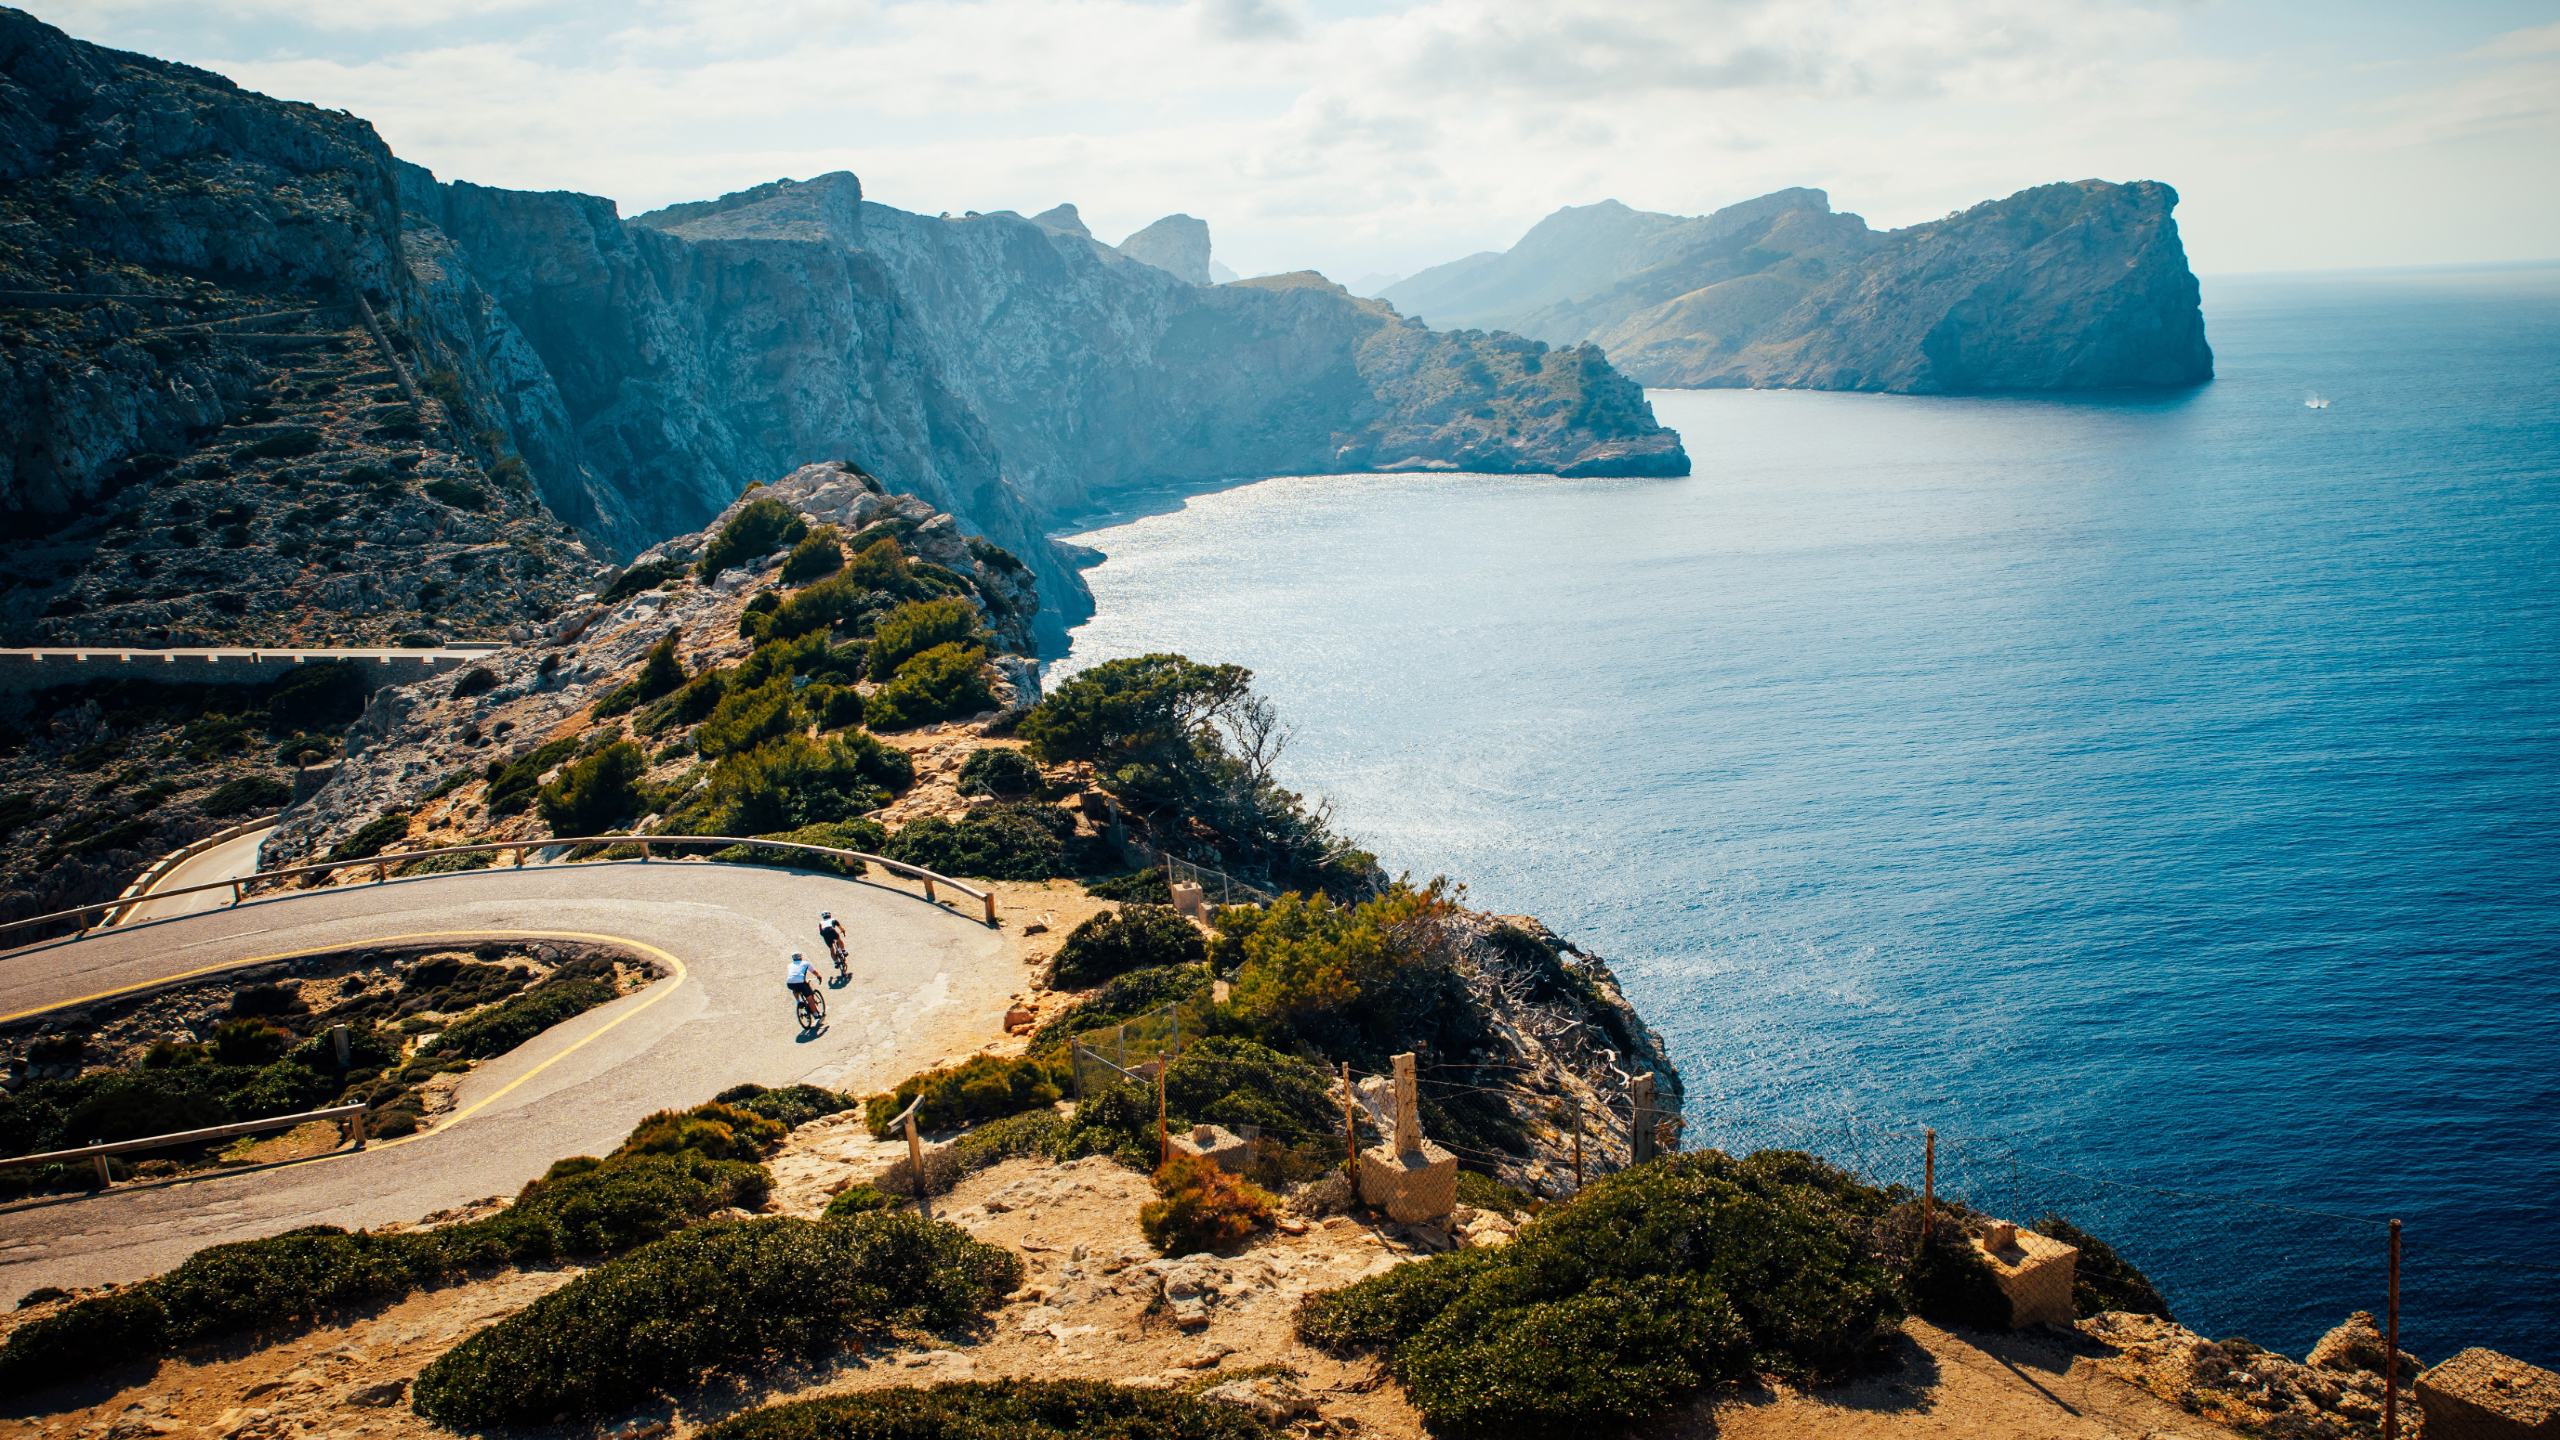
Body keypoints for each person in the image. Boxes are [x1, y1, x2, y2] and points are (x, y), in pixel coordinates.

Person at [785, 951, 820, 1016]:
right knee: (809, 998)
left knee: (795, 989)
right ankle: (816, 1014)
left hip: (789, 983)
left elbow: (795, 975)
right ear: (801, 957)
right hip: (800, 983)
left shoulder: (789, 965)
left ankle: (798, 1002)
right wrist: (818, 976)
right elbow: (813, 971)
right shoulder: (806, 963)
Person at [818, 912, 848, 977]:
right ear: (830, 915)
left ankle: (836, 961)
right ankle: (843, 950)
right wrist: (843, 931)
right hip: (831, 930)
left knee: (831, 949)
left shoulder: (821, 923)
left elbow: (820, 932)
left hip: (824, 933)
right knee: (839, 939)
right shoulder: (833, 920)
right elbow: (840, 928)